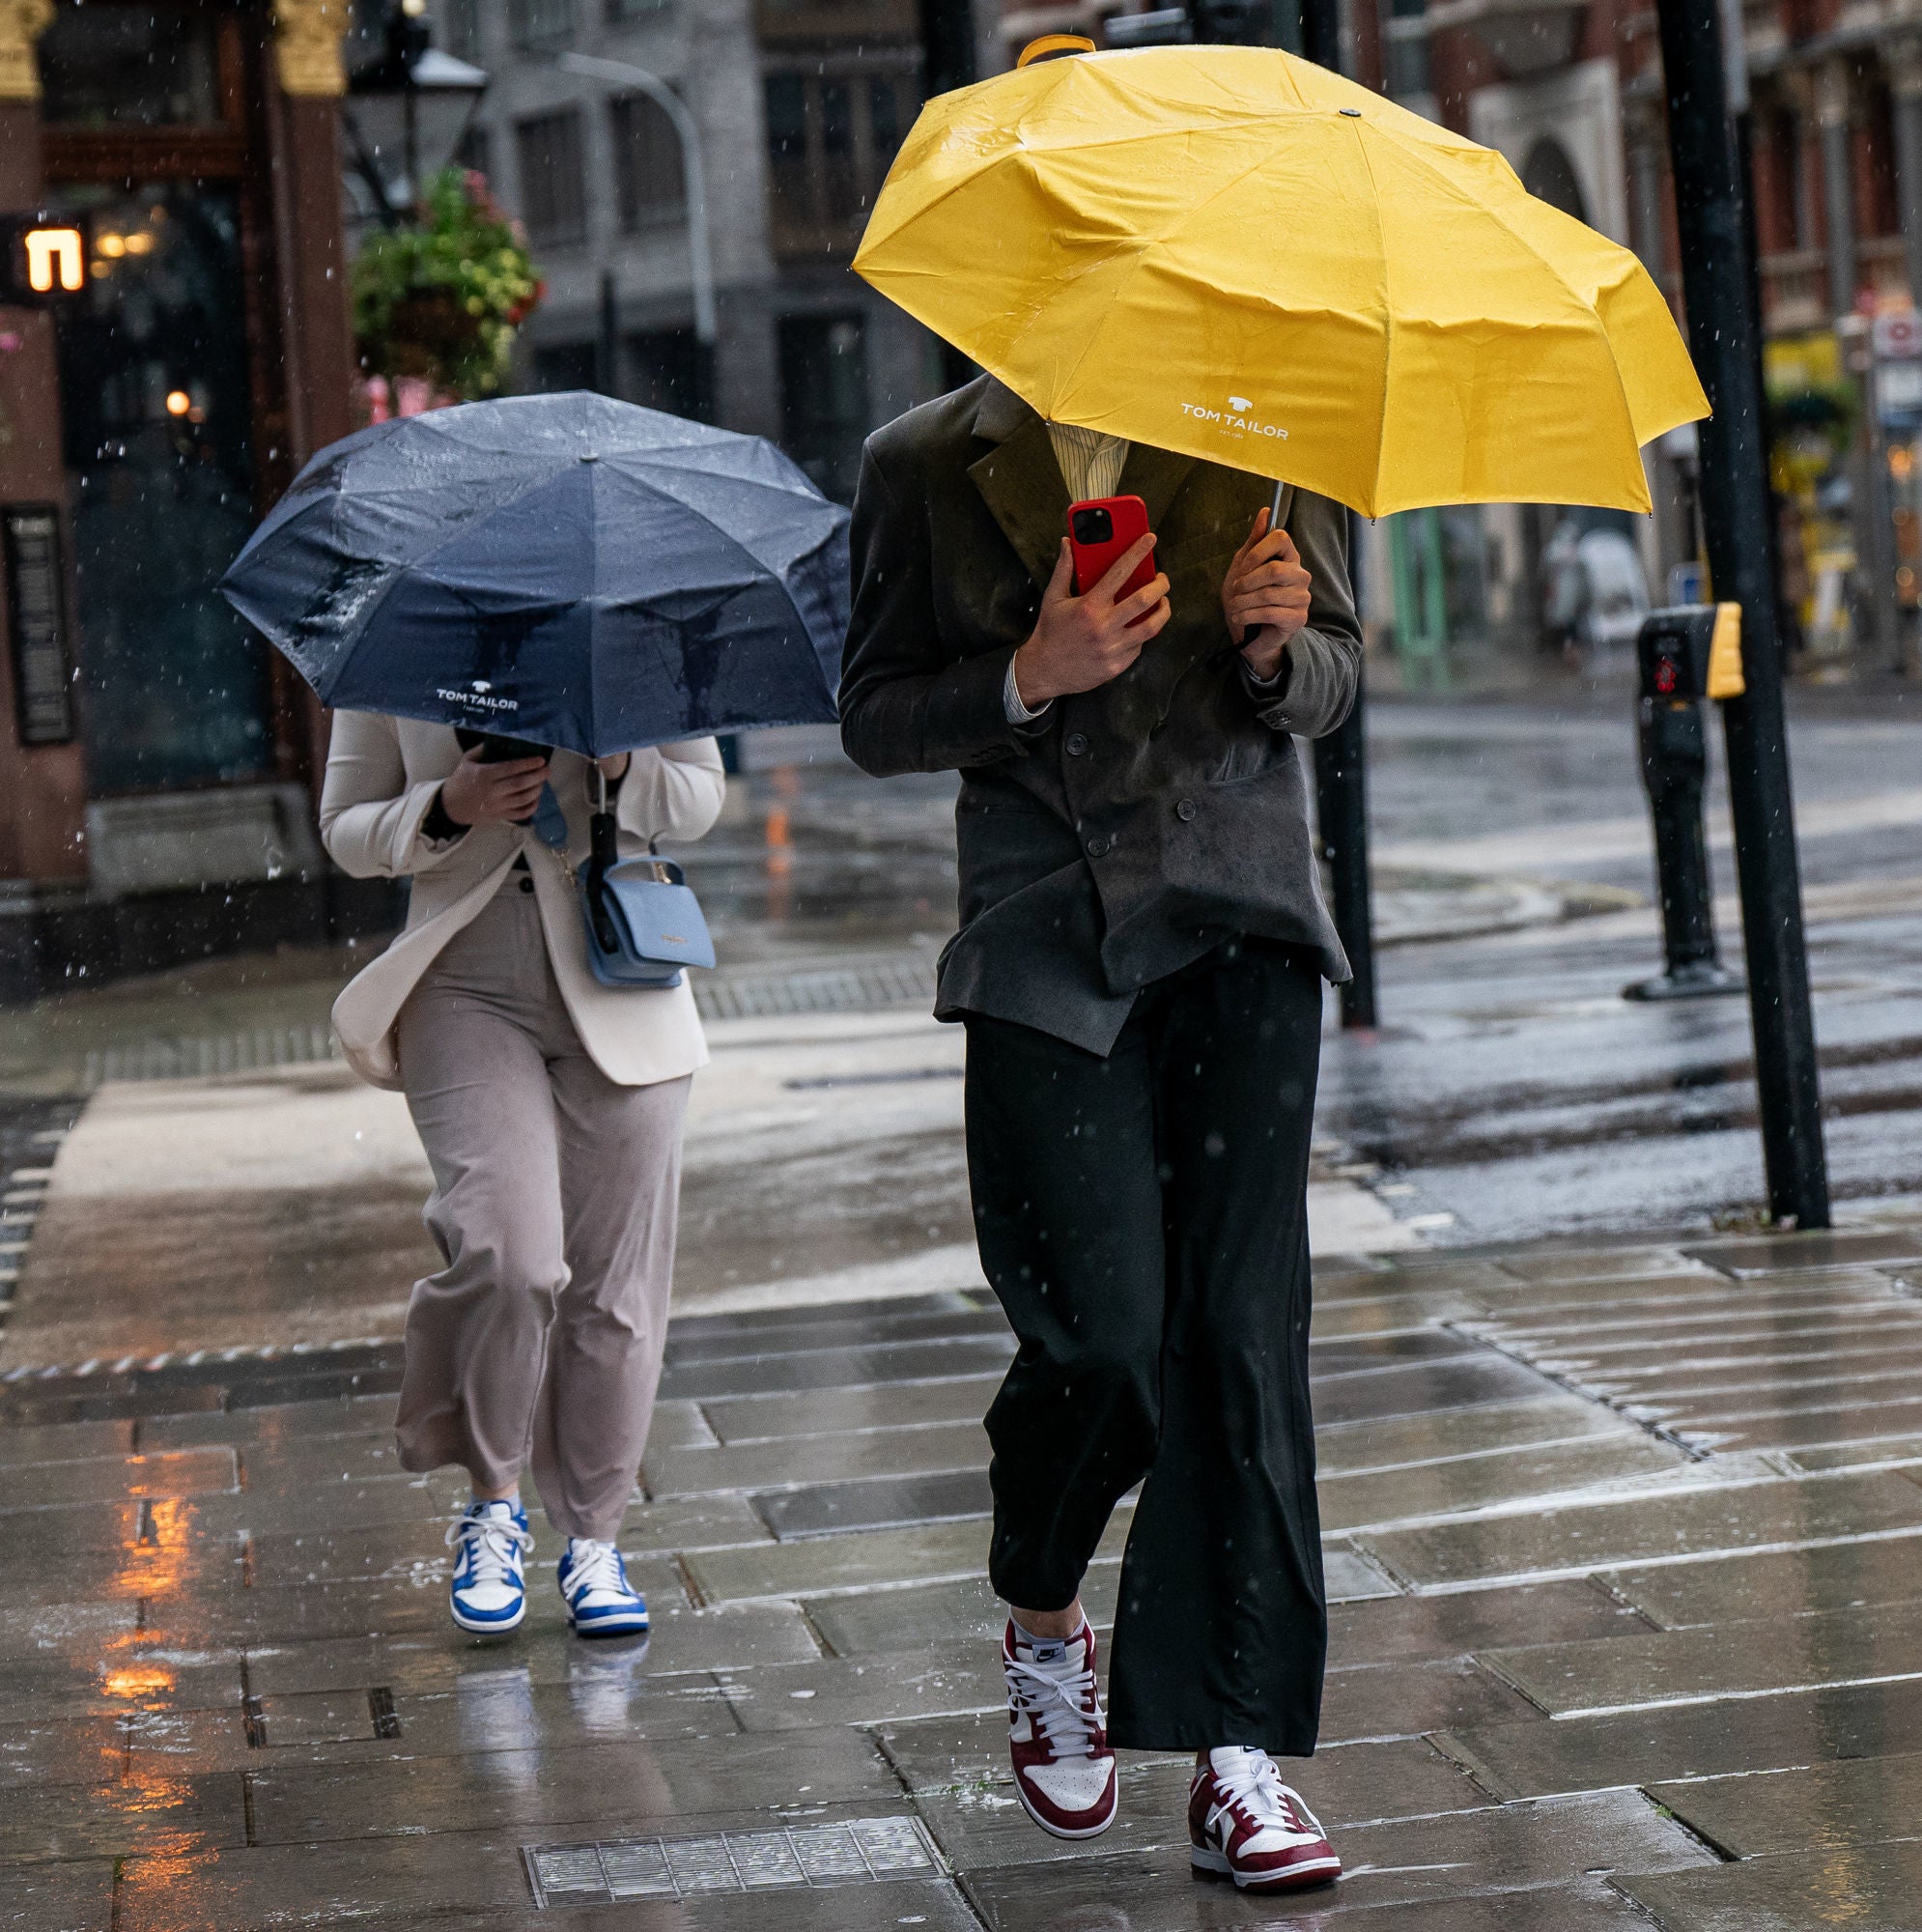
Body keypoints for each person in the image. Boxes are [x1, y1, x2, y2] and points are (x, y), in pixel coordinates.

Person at [840, 376, 1359, 1896]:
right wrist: (1025, 671)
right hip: (1044, 936)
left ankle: (1236, 1755)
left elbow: (1338, 675)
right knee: (1106, 1335)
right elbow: (872, 712)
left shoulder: (1266, 432)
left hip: (1242, 922)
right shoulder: (924, 461)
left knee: (1240, 1337)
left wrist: (1279, 647)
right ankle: (1044, 1603)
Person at [319, 716, 725, 1637]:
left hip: (622, 958)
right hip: (462, 980)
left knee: (616, 1290)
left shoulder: (633, 605)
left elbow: (700, 798)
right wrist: (446, 808)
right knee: (510, 1252)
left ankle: (593, 1540)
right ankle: (491, 1502)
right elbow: (344, 826)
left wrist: (622, 762)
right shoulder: (402, 632)